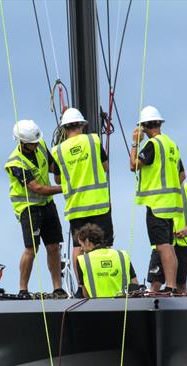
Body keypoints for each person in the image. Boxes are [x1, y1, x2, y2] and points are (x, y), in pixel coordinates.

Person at [50, 107, 113, 296]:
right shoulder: (94, 140)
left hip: (76, 207)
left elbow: (59, 180)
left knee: (78, 247)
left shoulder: (58, 150)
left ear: (64, 128)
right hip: (99, 203)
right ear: (82, 125)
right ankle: (103, 283)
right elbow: (106, 167)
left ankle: (81, 287)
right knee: (105, 245)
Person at [4, 119, 66, 298]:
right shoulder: (15, 162)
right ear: (22, 143)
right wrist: (66, 188)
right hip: (29, 207)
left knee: (54, 246)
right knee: (31, 248)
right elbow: (37, 188)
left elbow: (52, 165)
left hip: (47, 204)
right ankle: (23, 289)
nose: (36, 144)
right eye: (32, 143)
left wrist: (61, 171)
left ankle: (57, 288)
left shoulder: (40, 144)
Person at [129, 105, 186, 293]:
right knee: (167, 245)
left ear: (144, 126)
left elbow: (133, 165)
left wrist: (135, 143)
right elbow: (182, 175)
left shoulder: (153, 145)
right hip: (170, 203)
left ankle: (170, 285)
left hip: (156, 203)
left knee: (162, 246)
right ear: (159, 123)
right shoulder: (171, 145)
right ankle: (172, 285)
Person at [147, 181, 187, 293]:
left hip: (181, 243)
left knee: (181, 285)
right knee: (155, 283)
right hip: (162, 242)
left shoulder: (186, 189)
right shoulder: (157, 188)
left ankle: (182, 309)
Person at [75, 223, 138, 298]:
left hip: (97, 307)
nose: (81, 249)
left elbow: (85, 294)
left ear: (87, 241)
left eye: (81, 245)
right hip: (123, 307)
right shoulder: (122, 255)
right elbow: (135, 283)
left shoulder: (83, 260)